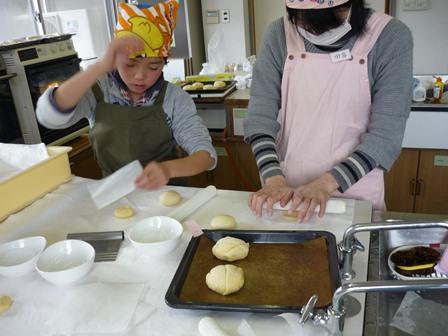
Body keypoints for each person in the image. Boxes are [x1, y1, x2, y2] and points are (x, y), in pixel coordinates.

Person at [245, 0, 413, 222]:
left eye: (329, 18)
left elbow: (386, 135)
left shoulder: (390, 36)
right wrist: (272, 177)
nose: (313, 30)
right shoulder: (278, 34)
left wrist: (325, 184)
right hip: (287, 190)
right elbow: (260, 116)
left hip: (355, 190)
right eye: (304, 21)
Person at [36, 0, 216, 190]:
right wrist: (98, 68)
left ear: (164, 63)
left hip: (168, 192)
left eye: (153, 66)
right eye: (130, 64)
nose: (140, 76)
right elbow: (49, 117)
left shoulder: (174, 98)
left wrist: (169, 169)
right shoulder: (99, 91)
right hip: (115, 194)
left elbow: (206, 155)